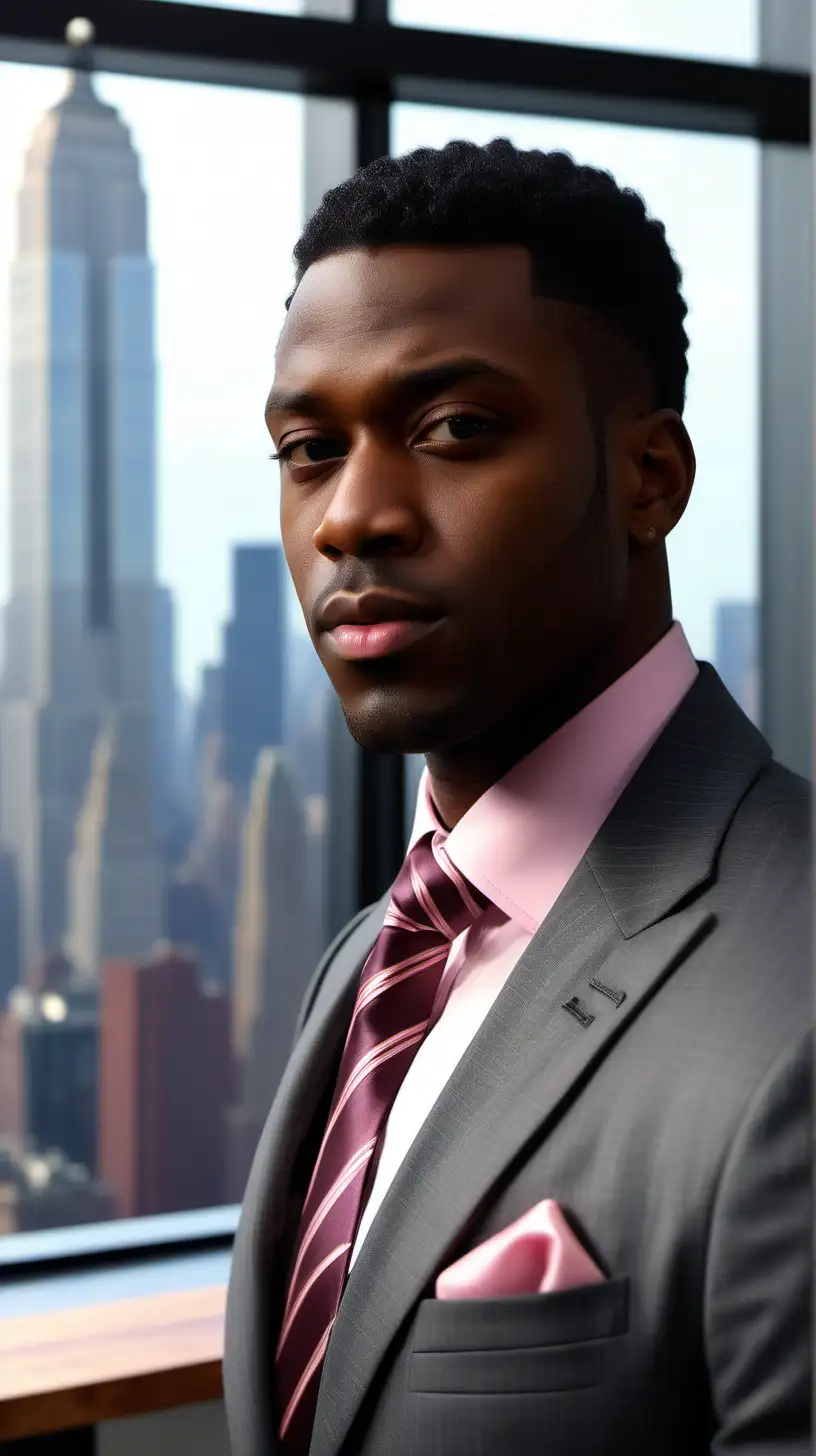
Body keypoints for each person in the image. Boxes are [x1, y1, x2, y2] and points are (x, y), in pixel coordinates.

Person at [223, 139, 811, 1456]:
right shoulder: (371, 963)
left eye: (455, 431)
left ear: (650, 480)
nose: (350, 519)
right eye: (310, 448)